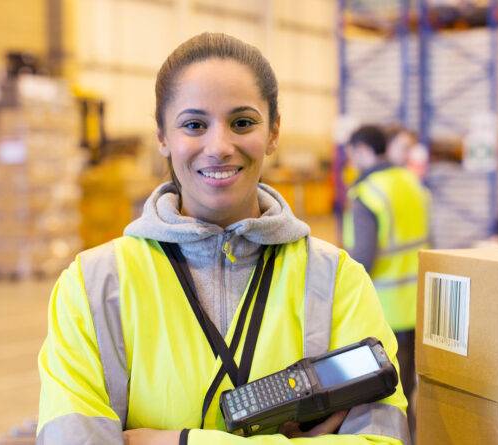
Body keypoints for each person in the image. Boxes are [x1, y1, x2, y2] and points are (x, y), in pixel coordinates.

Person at [36, 33, 410, 445]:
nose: (219, 146)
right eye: (194, 125)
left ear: (273, 132)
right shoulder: (93, 285)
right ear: (162, 136)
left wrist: (175, 441)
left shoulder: (337, 279)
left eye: (242, 123)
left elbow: (381, 440)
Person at [342, 125, 430, 437]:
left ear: (363, 150)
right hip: (418, 301)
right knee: (410, 388)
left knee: (388, 397)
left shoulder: (367, 193)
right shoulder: (410, 181)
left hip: (385, 307)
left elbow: (363, 258)